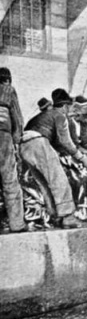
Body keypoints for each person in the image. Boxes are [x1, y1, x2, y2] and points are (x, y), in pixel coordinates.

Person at [21, 88, 87, 228]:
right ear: (65, 105)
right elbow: (66, 142)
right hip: (38, 142)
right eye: (70, 106)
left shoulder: (43, 115)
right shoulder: (60, 115)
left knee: (44, 184)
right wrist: (82, 158)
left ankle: (54, 216)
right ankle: (68, 217)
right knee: (59, 179)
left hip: (24, 146)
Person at [0, 67, 26, 232]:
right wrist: (17, 142)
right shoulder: (8, 90)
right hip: (3, 137)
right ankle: (16, 223)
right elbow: (17, 117)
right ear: (8, 79)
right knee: (10, 179)